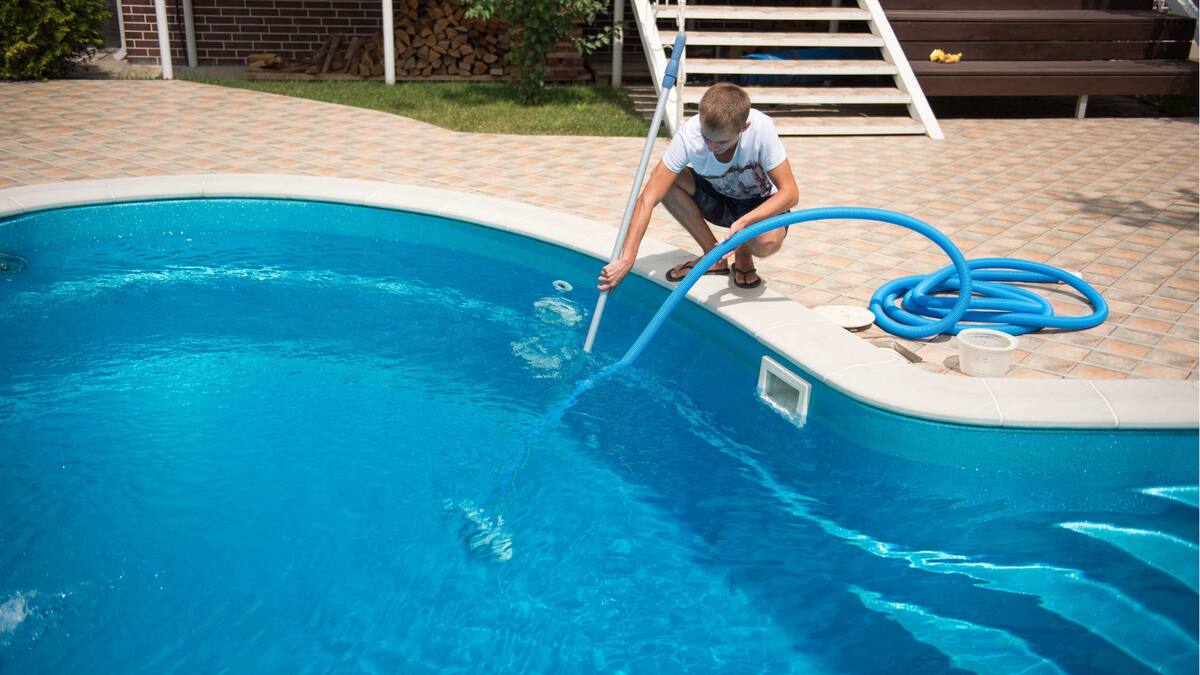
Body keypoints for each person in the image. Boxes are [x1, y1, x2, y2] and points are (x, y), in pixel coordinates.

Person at [597, 82, 798, 291]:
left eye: (721, 142)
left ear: (743, 128)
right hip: (720, 198)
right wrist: (628, 258)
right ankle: (713, 256)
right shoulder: (689, 134)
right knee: (667, 181)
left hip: (760, 203)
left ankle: (743, 252)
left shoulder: (760, 129)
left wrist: (746, 222)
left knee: (767, 242)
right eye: (706, 137)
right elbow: (647, 199)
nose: (711, 147)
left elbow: (791, 194)